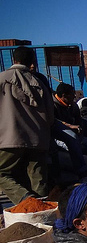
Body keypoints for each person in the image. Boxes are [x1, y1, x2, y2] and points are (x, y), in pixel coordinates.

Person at [0, 46, 55, 204]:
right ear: (32, 62)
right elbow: (50, 116)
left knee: (2, 173)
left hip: (10, 139)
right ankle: (44, 216)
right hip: (38, 140)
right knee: (38, 182)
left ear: (14, 60)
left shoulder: (3, 78)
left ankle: (28, 201)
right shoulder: (39, 83)